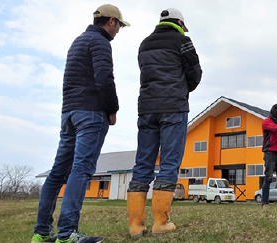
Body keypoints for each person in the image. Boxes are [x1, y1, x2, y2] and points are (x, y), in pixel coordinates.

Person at [31, 4, 129, 243]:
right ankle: (66, 234)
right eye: (119, 26)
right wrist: (112, 110)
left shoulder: (78, 41)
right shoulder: (100, 43)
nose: (119, 31)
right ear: (110, 22)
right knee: (81, 169)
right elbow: (105, 79)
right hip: (91, 113)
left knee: (58, 172)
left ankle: (41, 233)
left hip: (69, 113)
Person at [126, 8, 202, 238]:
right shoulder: (183, 41)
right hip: (173, 108)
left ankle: (135, 227)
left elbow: (144, 72)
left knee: (142, 163)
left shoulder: (144, 44)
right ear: (179, 22)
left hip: (147, 109)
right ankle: (161, 223)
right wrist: (181, 89)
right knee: (169, 162)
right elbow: (195, 74)